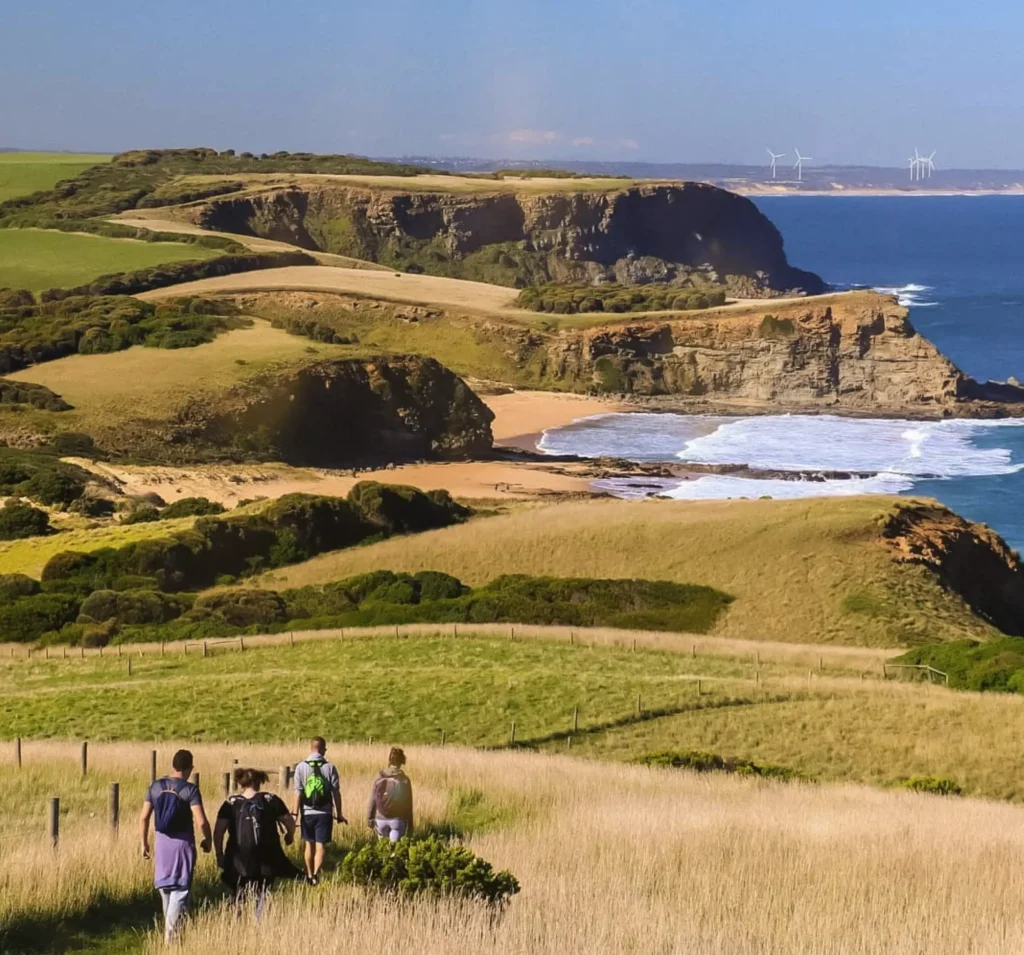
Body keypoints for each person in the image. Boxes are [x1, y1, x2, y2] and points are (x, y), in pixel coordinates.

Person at [139, 749, 212, 944]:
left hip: (161, 843)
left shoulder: (155, 787)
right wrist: (208, 839)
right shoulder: (190, 790)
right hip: (182, 844)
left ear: (173, 764)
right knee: (180, 890)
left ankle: (175, 932)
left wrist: (144, 842)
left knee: (166, 889)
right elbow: (201, 822)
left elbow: (144, 817)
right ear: (190, 767)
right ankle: (171, 938)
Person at [214, 768, 300, 918]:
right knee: (262, 891)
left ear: (241, 783)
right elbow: (289, 821)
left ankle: (234, 919)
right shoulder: (271, 800)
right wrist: (290, 836)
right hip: (267, 858)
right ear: (258, 782)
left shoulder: (230, 804)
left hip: (237, 858)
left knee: (239, 889)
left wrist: (219, 854)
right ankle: (258, 922)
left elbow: (219, 832)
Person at [292, 737, 343, 885]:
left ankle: (308, 874)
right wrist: (339, 813)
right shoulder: (330, 768)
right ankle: (315, 874)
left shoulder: (301, 767)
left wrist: (295, 814)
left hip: (307, 812)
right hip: (324, 813)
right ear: (323, 749)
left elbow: (298, 792)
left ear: (311, 748)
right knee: (320, 846)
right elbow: (336, 793)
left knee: (309, 845)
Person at [367, 747, 414, 842]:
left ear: (389, 760)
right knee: (393, 851)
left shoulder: (380, 776)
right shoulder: (404, 780)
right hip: (398, 820)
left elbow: (373, 799)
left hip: (380, 819)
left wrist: (369, 818)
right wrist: (410, 824)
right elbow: (408, 804)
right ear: (402, 761)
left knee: (382, 849)